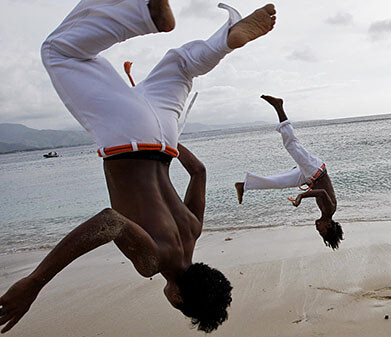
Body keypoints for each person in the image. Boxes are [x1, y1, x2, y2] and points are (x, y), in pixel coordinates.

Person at [0, 0, 276, 333]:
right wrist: (34, 282)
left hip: (164, 134)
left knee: (181, 65)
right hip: (125, 136)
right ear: (177, 298)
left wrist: (168, 142)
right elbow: (110, 222)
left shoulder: (193, 228)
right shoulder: (154, 261)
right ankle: (144, 15)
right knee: (58, 51)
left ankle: (223, 41)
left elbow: (199, 171)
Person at [235, 95, 343, 250]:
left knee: (279, 183)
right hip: (315, 170)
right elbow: (322, 193)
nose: (318, 230)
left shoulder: (325, 212)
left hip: (308, 176)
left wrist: (301, 173)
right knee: (291, 144)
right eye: (322, 232)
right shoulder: (330, 209)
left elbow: (319, 189)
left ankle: (244, 185)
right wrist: (301, 196)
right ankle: (279, 107)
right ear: (329, 226)